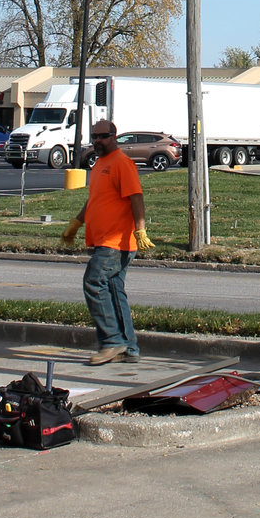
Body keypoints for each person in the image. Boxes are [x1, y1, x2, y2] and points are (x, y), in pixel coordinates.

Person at [60, 121, 154, 364]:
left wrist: (140, 230)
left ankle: (112, 342)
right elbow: (95, 200)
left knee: (93, 282)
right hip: (103, 239)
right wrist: (76, 223)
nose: (98, 141)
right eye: (95, 137)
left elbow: (136, 198)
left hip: (116, 241)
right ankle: (128, 347)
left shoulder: (123, 163)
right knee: (113, 290)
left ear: (114, 137)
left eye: (103, 136)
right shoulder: (100, 164)